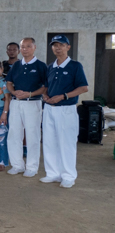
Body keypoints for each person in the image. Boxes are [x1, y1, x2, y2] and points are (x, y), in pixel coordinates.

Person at [40, 35, 89, 188]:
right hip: (49, 109)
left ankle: (68, 176)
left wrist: (64, 96)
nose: (57, 48)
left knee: (66, 143)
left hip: (66, 110)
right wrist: (45, 95)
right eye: (55, 45)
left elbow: (83, 87)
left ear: (68, 47)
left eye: (61, 45)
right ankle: (53, 173)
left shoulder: (75, 66)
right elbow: (46, 86)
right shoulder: (50, 67)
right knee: (49, 142)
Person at [5, 37, 48, 177]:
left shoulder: (41, 66)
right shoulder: (16, 65)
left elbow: (45, 87)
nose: (25, 49)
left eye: (28, 46)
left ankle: (32, 167)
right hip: (16, 103)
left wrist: (30, 93)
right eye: (23, 46)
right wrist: (12, 92)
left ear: (34, 47)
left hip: (32, 103)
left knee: (32, 135)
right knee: (14, 134)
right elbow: (9, 82)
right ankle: (17, 165)